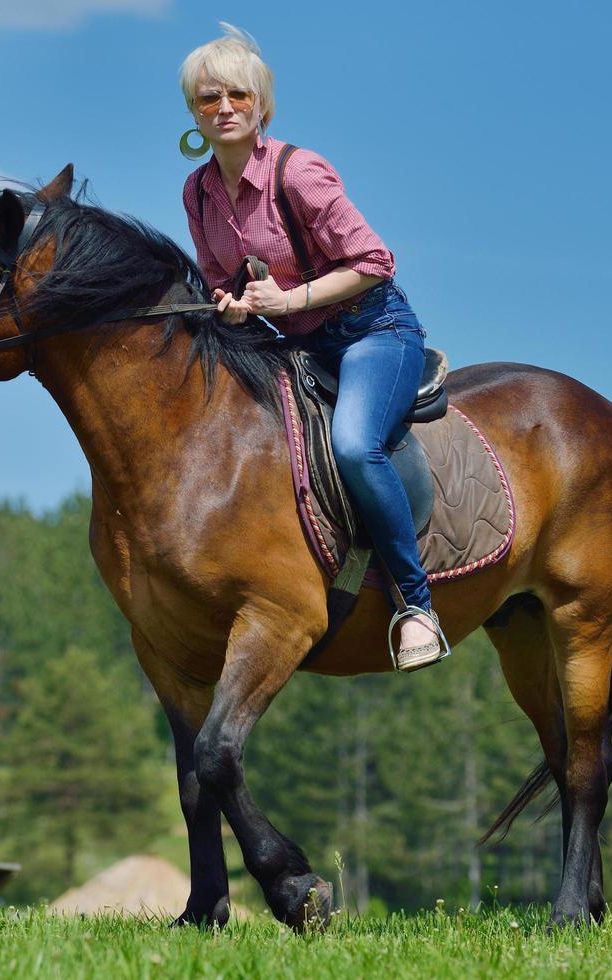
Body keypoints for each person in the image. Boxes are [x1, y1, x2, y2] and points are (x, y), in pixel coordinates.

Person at [178, 24, 447, 672]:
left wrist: (289, 302)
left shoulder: (298, 173)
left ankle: (417, 607)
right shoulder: (197, 191)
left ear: (260, 104)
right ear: (192, 109)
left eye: (237, 95)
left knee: (354, 444)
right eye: (208, 97)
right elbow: (219, 281)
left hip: (371, 330)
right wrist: (232, 304)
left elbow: (375, 260)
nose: (223, 108)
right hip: (289, 343)